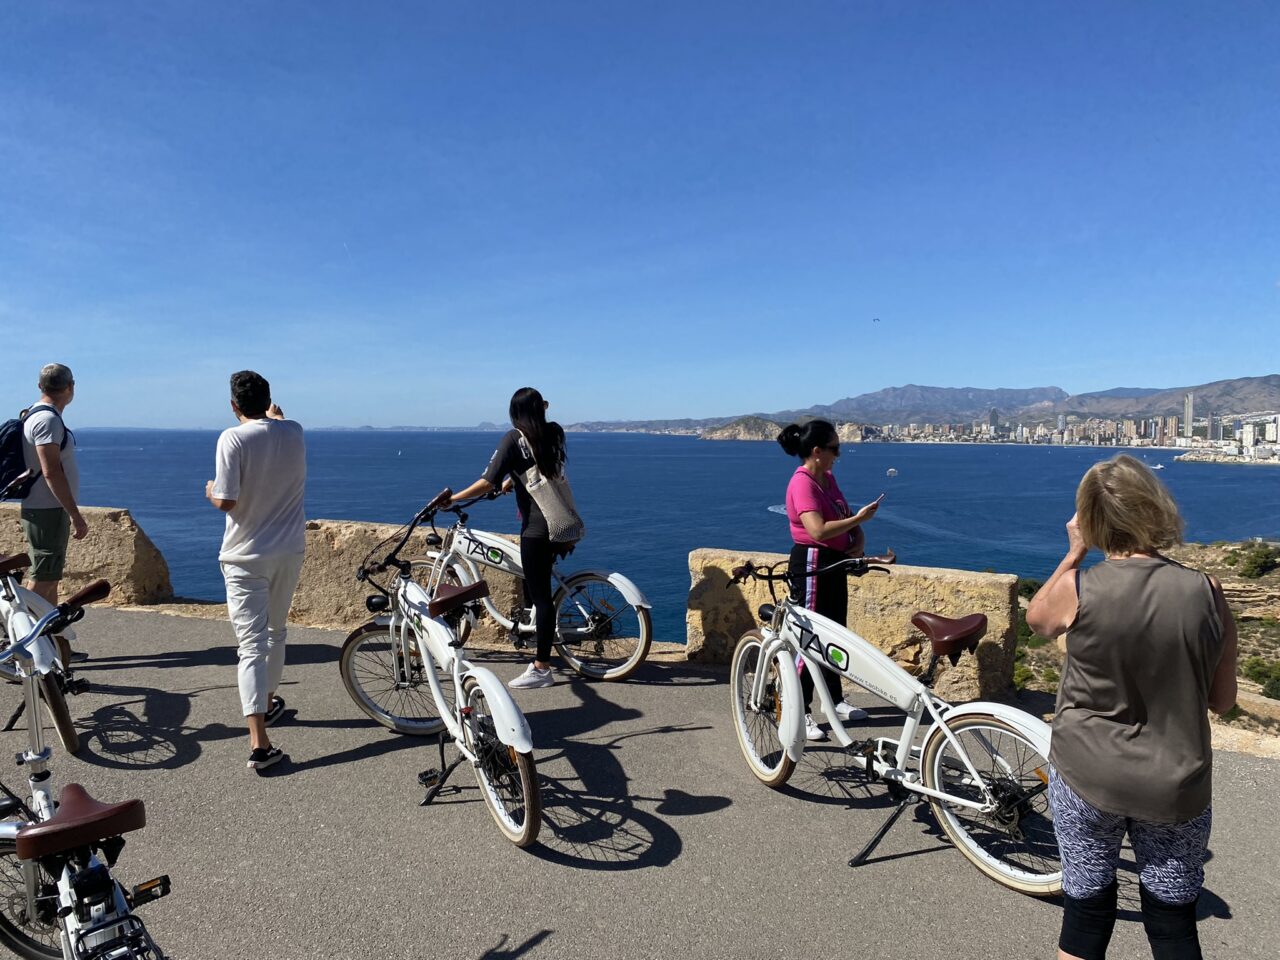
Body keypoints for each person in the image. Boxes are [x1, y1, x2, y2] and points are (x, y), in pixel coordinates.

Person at [1027, 455, 1237, 960]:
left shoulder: (1080, 590)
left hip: (1086, 775)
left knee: (1085, 917)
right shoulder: (1206, 591)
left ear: (1092, 519)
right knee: (1172, 928)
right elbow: (1223, 700)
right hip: (1174, 783)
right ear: (1154, 507)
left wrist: (1075, 553)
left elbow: (1037, 619)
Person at [206, 371, 306, 772]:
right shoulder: (294, 432)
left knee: (250, 645)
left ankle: (259, 744)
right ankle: (267, 702)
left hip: (245, 556)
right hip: (288, 551)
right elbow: (279, 429)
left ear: (233, 406)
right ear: (269, 400)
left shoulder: (232, 438)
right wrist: (276, 418)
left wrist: (210, 490)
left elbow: (228, 501)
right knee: (276, 632)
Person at [448, 387, 575, 690]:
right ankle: (534, 636)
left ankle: (542, 667)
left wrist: (454, 498)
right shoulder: (553, 433)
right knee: (536, 588)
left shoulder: (513, 439)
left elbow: (485, 481)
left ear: (515, 412)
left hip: (537, 528)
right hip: (560, 521)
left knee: (543, 599)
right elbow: (539, 466)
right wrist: (512, 481)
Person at [777, 419, 882, 741]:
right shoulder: (802, 484)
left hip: (835, 562)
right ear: (817, 451)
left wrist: (858, 535)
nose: (839, 454)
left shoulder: (828, 479)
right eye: (835, 448)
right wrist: (859, 519)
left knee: (834, 633)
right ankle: (799, 710)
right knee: (808, 636)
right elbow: (819, 530)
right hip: (812, 562)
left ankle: (833, 700)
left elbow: (840, 514)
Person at [20, 363, 88, 663]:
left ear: (40, 386)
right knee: (40, 580)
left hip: (46, 508)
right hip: (47, 509)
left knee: (50, 580)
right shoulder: (47, 420)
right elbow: (51, 471)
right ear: (70, 388)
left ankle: (53, 646)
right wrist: (74, 513)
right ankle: (21, 647)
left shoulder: (37, 415)